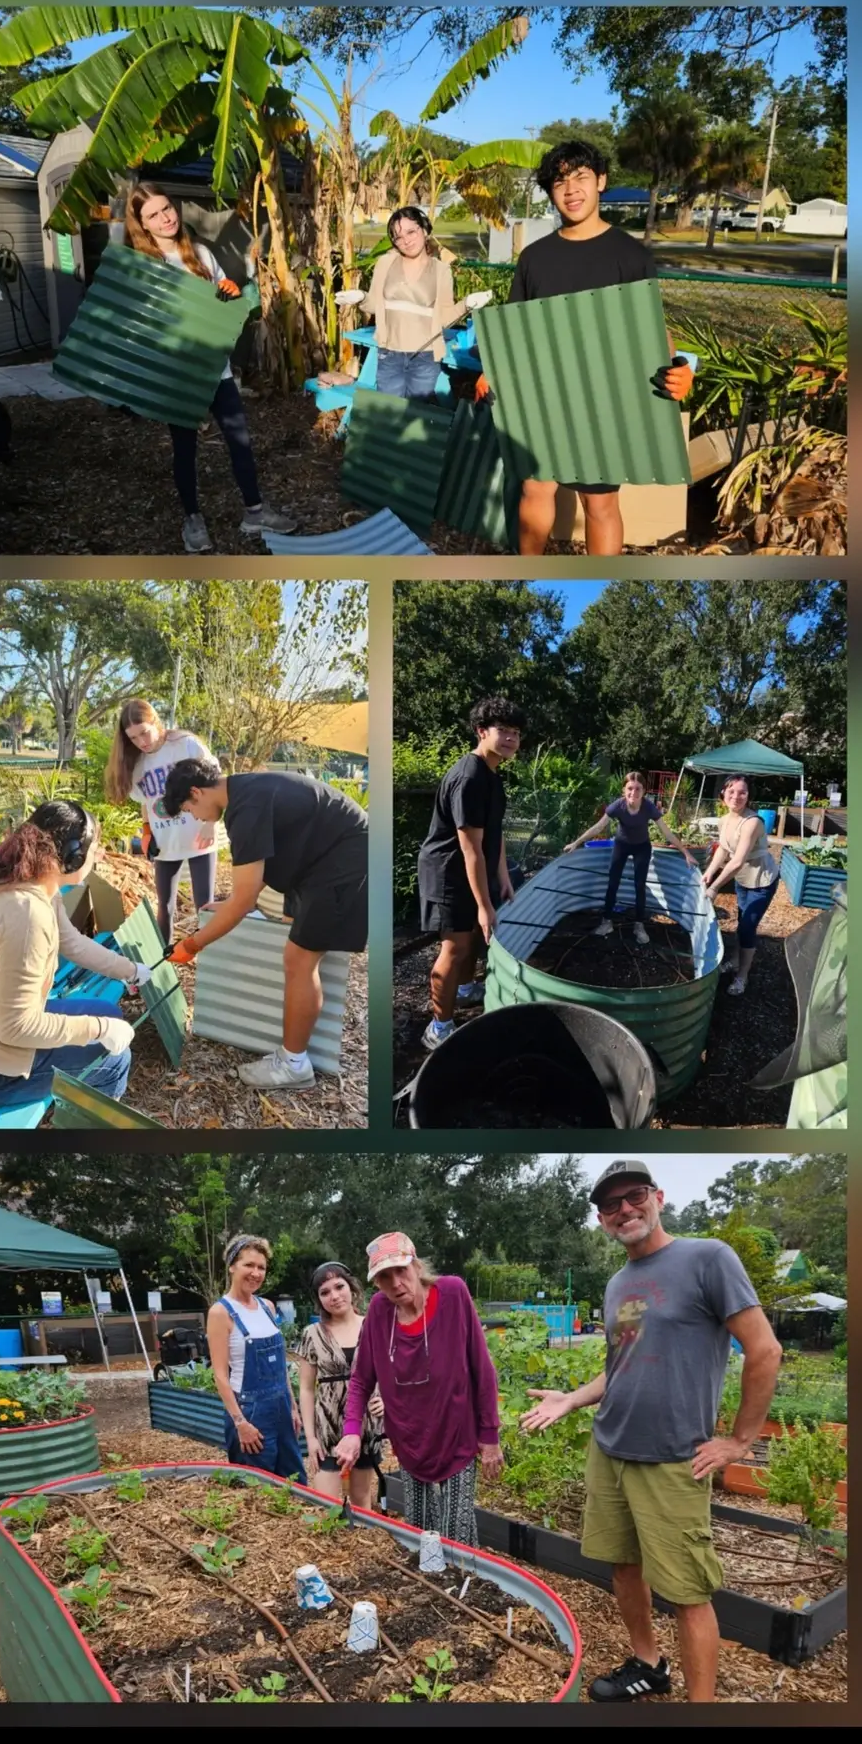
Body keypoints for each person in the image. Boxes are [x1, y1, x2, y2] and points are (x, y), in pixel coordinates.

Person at [520, 1159, 782, 1703]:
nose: (624, 1210)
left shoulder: (708, 1258)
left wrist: (739, 1440)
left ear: (658, 1198)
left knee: (688, 1591)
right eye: (610, 1205)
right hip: (612, 1447)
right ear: (601, 1220)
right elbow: (620, 1365)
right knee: (624, 1566)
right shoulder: (619, 1283)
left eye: (634, 1196)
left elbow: (765, 1350)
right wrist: (572, 1398)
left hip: (672, 1456)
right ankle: (648, 1663)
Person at [474, 141, 694, 555]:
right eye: (560, 182)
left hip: (605, 399)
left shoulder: (630, 255)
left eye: (581, 177)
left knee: (600, 503)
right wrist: (494, 369)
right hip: (541, 395)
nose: (571, 189)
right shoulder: (534, 258)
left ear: (601, 181)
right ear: (550, 192)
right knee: (535, 489)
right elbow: (516, 326)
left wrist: (680, 366)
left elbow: (650, 325)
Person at [0, 802, 148, 1108]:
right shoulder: (28, 914)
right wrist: (98, 1030)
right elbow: (17, 1027)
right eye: (95, 849)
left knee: (108, 1012)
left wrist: (130, 970)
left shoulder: (34, 888)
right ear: (72, 855)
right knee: (115, 1059)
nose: (100, 856)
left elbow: (73, 944)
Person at [160, 761, 368, 1092]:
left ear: (196, 792)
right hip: (318, 859)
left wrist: (191, 945)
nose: (195, 817)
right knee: (293, 940)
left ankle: (294, 1065)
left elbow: (244, 902)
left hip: (342, 861)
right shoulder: (245, 792)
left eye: (189, 809)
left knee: (299, 960)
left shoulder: (245, 809)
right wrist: (233, 902)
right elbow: (252, 881)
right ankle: (295, 1044)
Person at [124, 184, 295, 553]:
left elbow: (221, 301)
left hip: (216, 369)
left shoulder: (199, 252)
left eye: (167, 208)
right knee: (185, 449)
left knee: (240, 440)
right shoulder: (143, 267)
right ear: (142, 224)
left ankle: (255, 512)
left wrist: (229, 291)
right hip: (178, 375)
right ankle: (193, 520)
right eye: (153, 215)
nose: (165, 218)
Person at [334, 1232, 502, 1546]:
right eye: (384, 1277)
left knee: (457, 1535)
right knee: (420, 1534)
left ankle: (462, 1575)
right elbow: (361, 1379)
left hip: (456, 1432)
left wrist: (489, 1434)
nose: (396, 1283)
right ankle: (428, 1575)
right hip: (410, 1439)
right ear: (376, 1283)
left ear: (417, 1266)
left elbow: (482, 1367)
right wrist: (352, 1430)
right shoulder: (380, 1312)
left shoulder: (452, 1294)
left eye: (401, 1270)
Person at [416, 696, 523, 1050]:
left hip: (471, 869)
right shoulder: (469, 777)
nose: (510, 739)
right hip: (448, 871)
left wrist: (502, 876)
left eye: (516, 732)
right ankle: (438, 1028)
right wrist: (483, 904)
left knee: (476, 935)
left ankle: (463, 990)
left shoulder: (492, 775)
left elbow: (494, 832)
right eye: (502, 730)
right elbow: (470, 848)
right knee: (456, 946)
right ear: (481, 732)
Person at [105, 698, 219, 946]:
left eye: (144, 732)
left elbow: (216, 783)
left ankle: (206, 959)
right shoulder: (137, 763)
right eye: (133, 738)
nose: (141, 742)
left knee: (205, 907)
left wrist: (211, 822)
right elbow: (146, 802)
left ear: (156, 721)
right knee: (165, 908)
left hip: (199, 838)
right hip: (165, 842)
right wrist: (146, 832)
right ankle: (163, 961)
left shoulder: (185, 745)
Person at [338, 207, 484, 400]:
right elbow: (373, 306)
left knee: (417, 412)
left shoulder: (441, 271)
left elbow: (445, 318)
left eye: (411, 232)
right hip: (389, 354)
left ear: (424, 230)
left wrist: (467, 304)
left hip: (425, 357)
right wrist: (361, 297)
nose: (406, 241)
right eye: (398, 237)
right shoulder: (385, 263)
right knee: (389, 409)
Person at [206, 1234, 306, 1480]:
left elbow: (280, 1364)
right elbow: (220, 1375)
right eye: (248, 1265)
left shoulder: (267, 1307)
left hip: (282, 1405)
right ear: (232, 1266)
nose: (256, 1273)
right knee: (259, 1488)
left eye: (261, 1267)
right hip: (250, 1411)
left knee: (296, 1482)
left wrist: (293, 1407)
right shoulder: (220, 1312)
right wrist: (240, 1422)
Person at [564, 769, 698, 945]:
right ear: (624, 790)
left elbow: (666, 833)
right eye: (630, 788)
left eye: (638, 789)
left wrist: (686, 853)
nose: (633, 792)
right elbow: (598, 827)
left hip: (642, 847)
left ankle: (639, 926)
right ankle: (606, 922)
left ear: (643, 792)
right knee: (613, 883)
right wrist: (576, 842)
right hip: (621, 845)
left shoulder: (648, 808)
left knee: (639, 885)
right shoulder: (617, 806)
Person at [297, 1261, 385, 1509]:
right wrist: (310, 1438)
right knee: (325, 1504)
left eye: (339, 1287)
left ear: (351, 1287)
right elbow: (306, 1389)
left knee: (361, 1500)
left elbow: (392, 1372)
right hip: (328, 1425)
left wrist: (386, 1398)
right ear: (318, 1299)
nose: (334, 1296)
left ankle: (364, 1536)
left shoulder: (373, 1326)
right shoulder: (312, 1334)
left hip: (366, 1423)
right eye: (325, 1292)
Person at [700, 775, 781, 997]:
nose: (736, 796)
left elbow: (736, 861)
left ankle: (742, 976)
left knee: (747, 927)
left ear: (748, 796)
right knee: (741, 922)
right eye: (731, 791)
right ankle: (736, 960)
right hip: (743, 880)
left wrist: (714, 887)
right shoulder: (725, 820)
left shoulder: (752, 822)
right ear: (723, 794)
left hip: (762, 881)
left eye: (742, 792)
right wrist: (708, 872)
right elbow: (723, 850)